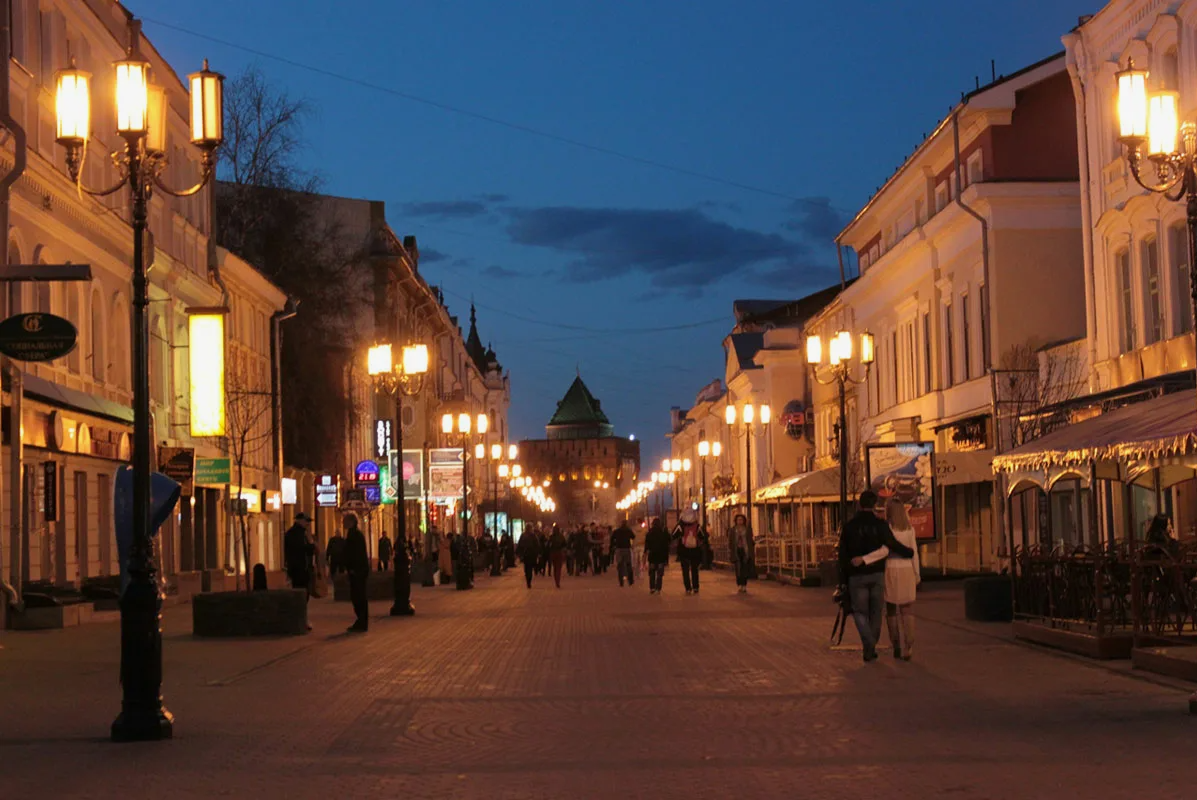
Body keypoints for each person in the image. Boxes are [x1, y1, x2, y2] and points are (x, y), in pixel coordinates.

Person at [838, 491, 915, 662]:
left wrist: (842, 580)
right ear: (874, 505)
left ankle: (869, 643)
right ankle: (871, 645)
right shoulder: (880, 525)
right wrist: (908, 552)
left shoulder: (849, 526)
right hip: (878, 575)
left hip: (856, 576)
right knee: (876, 612)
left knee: (859, 611)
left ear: (859, 504)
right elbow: (890, 544)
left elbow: (842, 555)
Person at [883, 499, 921, 661]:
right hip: (907, 569)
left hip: (890, 568)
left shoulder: (888, 529)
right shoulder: (909, 530)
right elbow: (914, 553)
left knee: (891, 609)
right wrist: (916, 573)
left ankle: (896, 644)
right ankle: (909, 646)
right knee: (907, 609)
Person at [342, 514, 370, 633]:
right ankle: (361, 620)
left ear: (352, 522)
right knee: (358, 596)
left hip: (357, 571)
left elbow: (355, 554)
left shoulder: (354, 535)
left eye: (345, 521)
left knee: (358, 596)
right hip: (359, 570)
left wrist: (353, 568)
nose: (343, 523)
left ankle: (362, 621)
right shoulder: (355, 534)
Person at [672, 508, 707, 595]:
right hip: (695, 551)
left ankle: (688, 588)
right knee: (695, 570)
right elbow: (703, 536)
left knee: (685, 570)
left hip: (683, 551)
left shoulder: (680, 526)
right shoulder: (697, 526)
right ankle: (695, 587)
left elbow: (673, 535)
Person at [728, 513, 755, 594]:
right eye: (738, 520)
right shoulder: (733, 530)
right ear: (736, 521)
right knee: (738, 568)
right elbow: (730, 541)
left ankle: (744, 585)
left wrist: (751, 551)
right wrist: (730, 550)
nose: (740, 521)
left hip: (745, 550)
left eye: (741, 520)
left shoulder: (747, 529)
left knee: (745, 568)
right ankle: (739, 584)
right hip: (737, 550)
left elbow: (750, 540)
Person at [644, 518, 671, 595]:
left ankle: (652, 588)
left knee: (652, 572)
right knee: (659, 573)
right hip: (661, 556)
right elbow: (669, 540)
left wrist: (646, 552)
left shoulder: (650, 532)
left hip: (652, 556)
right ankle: (658, 588)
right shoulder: (663, 532)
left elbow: (647, 544)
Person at [611, 518, 636, 587]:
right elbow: (633, 537)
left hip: (619, 549)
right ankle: (630, 581)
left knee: (620, 566)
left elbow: (612, 538)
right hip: (627, 549)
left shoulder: (617, 531)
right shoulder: (628, 530)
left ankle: (621, 582)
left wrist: (614, 545)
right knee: (628, 565)